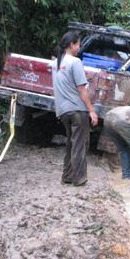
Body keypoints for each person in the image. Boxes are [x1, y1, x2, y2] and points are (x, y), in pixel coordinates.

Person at [52, 32, 98, 186]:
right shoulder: (75, 62)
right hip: (77, 110)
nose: (79, 47)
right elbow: (81, 89)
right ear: (72, 44)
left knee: (71, 143)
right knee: (80, 144)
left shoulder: (56, 63)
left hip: (63, 111)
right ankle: (79, 178)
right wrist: (91, 110)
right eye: (78, 44)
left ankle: (67, 175)